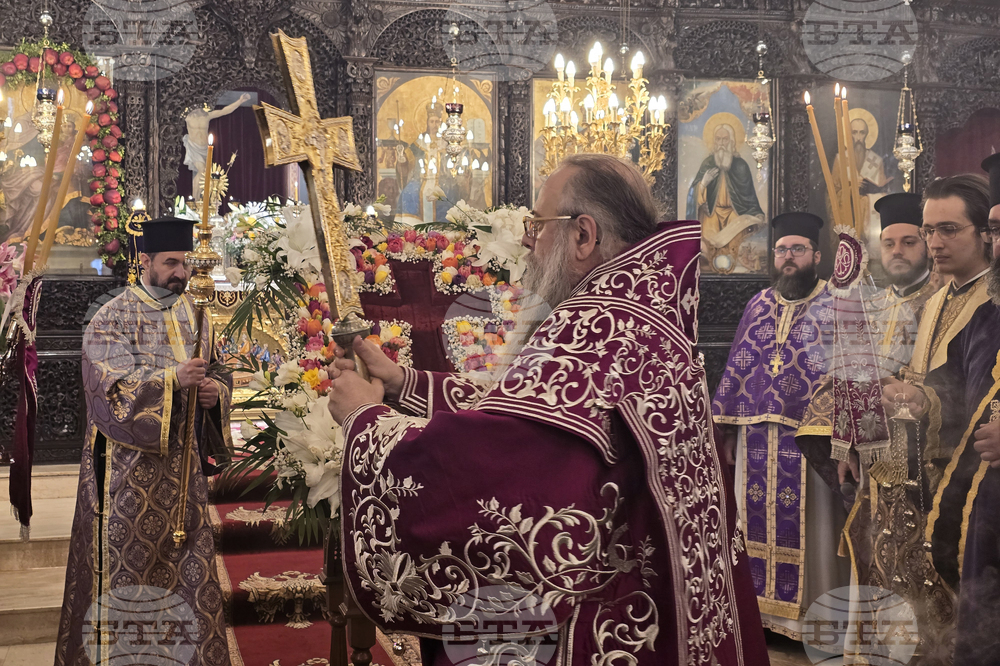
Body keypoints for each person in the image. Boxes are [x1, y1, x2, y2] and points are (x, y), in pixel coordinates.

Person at [325, 154, 769, 665]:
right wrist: (406, 383)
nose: (527, 239)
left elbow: (502, 466)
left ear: (584, 235)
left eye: (538, 224)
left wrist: (367, 420)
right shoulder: (643, 311)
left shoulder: (594, 329)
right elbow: (535, 409)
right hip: (672, 613)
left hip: (607, 622)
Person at [55, 217, 233, 666]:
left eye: (187, 263)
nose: (181, 272)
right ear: (144, 261)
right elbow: (107, 394)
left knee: (189, 580)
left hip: (184, 480)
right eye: (171, 262)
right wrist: (172, 379)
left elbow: (219, 373)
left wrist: (214, 394)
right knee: (127, 579)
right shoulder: (110, 318)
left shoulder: (197, 315)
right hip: (125, 482)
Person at [797, 192, 952, 664]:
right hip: (876, 468)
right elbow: (844, 376)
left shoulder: (944, 300)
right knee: (878, 560)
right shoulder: (873, 304)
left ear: (926, 245)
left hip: (931, 468)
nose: (899, 252)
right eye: (890, 244)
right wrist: (841, 444)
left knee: (928, 569)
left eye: (910, 241)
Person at [713, 212, 850, 639]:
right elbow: (738, 369)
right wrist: (731, 434)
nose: (788, 258)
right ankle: (760, 620)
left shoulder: (837, 304)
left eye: (797, 250)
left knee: (815, 531)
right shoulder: (759, 304)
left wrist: (842, 442)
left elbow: (850, 373)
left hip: (810, 439)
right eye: (782, 250)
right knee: (750, 529)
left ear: (817, 255)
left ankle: (813, 620)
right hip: (756, 438)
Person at [888, 160, 1000, 666]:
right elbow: (944, 387)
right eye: (928, 230)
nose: (933, 242)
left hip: (969, 473)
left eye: (947, 230)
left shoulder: (985, 303)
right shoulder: (939, 300)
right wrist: (909, 396)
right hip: (946, 474)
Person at [690, 122, 765, 261]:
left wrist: (757, 214)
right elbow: (693, 193)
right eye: (718, 139)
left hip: (735, 213)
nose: (721, 143)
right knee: (707, 243)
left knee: (737, 238)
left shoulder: (741, 165)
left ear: (731, 141)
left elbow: (749, 197)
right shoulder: (707, 163)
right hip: (711, 213)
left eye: (725, 139)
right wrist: (703, 184)